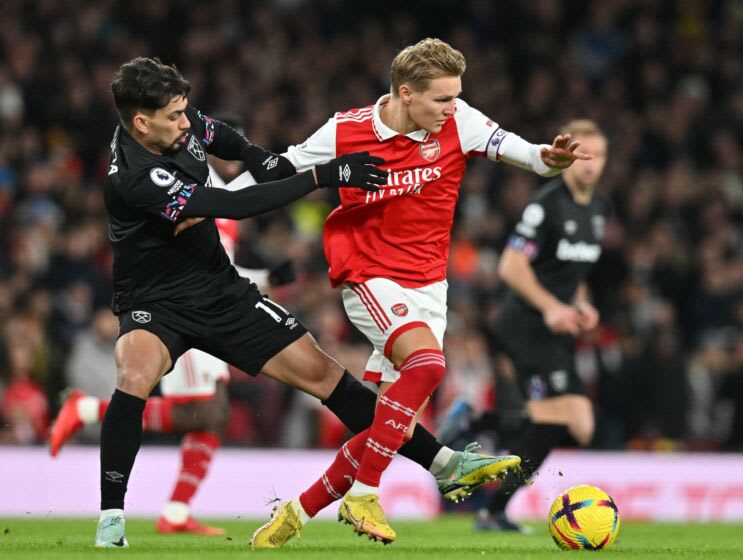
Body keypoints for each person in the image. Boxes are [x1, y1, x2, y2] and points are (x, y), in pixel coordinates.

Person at [93, 57, 513, 548]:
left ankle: (444, 464)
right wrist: (322, 176)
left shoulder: (176, 123)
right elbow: (233, 205)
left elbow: (216, 133)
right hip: (154, 300)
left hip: (221, 291)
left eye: (185, 111)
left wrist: (255, 155)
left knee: (326, 376)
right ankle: (111, 520)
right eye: (175, 117)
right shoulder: (134, 178)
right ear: (141, 122)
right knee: (135, 375)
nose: (186, 123)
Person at [249, 38, 591, 547]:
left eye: (456, 97)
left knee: (393, 426)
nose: (451, 108)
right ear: (406, 93)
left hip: (429, 285)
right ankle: (365, 494)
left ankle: (296, 514)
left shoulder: (460, 121)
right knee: (428, 366)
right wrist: (206, 204)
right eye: (441, 99)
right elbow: (282, 167)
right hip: (368, 274)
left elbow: (534, 160)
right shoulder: (348, 130)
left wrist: (551, 158)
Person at [49, 123, 296, 536]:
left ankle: (177, 512)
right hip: (187, 307)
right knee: (206, 411)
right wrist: (268, 276)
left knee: (213, 415)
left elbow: (222, 265)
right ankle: (87, 410)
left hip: (212, 300)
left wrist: (266, 276)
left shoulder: (218, 188)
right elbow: (195, 259)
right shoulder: (190, 181)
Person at [443, 119, 610, 532]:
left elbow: (575, 273)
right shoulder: (546, 205)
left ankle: (477, 432)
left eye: (600, 155)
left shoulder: (598, 210)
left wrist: (583, 305)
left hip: (554, 329)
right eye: (583, 155)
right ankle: (491, 496)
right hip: (523, 325)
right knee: (565, 420)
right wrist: (553, 307)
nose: (591, 164)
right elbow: (511, 265)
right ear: (568, 156)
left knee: (573, 425)